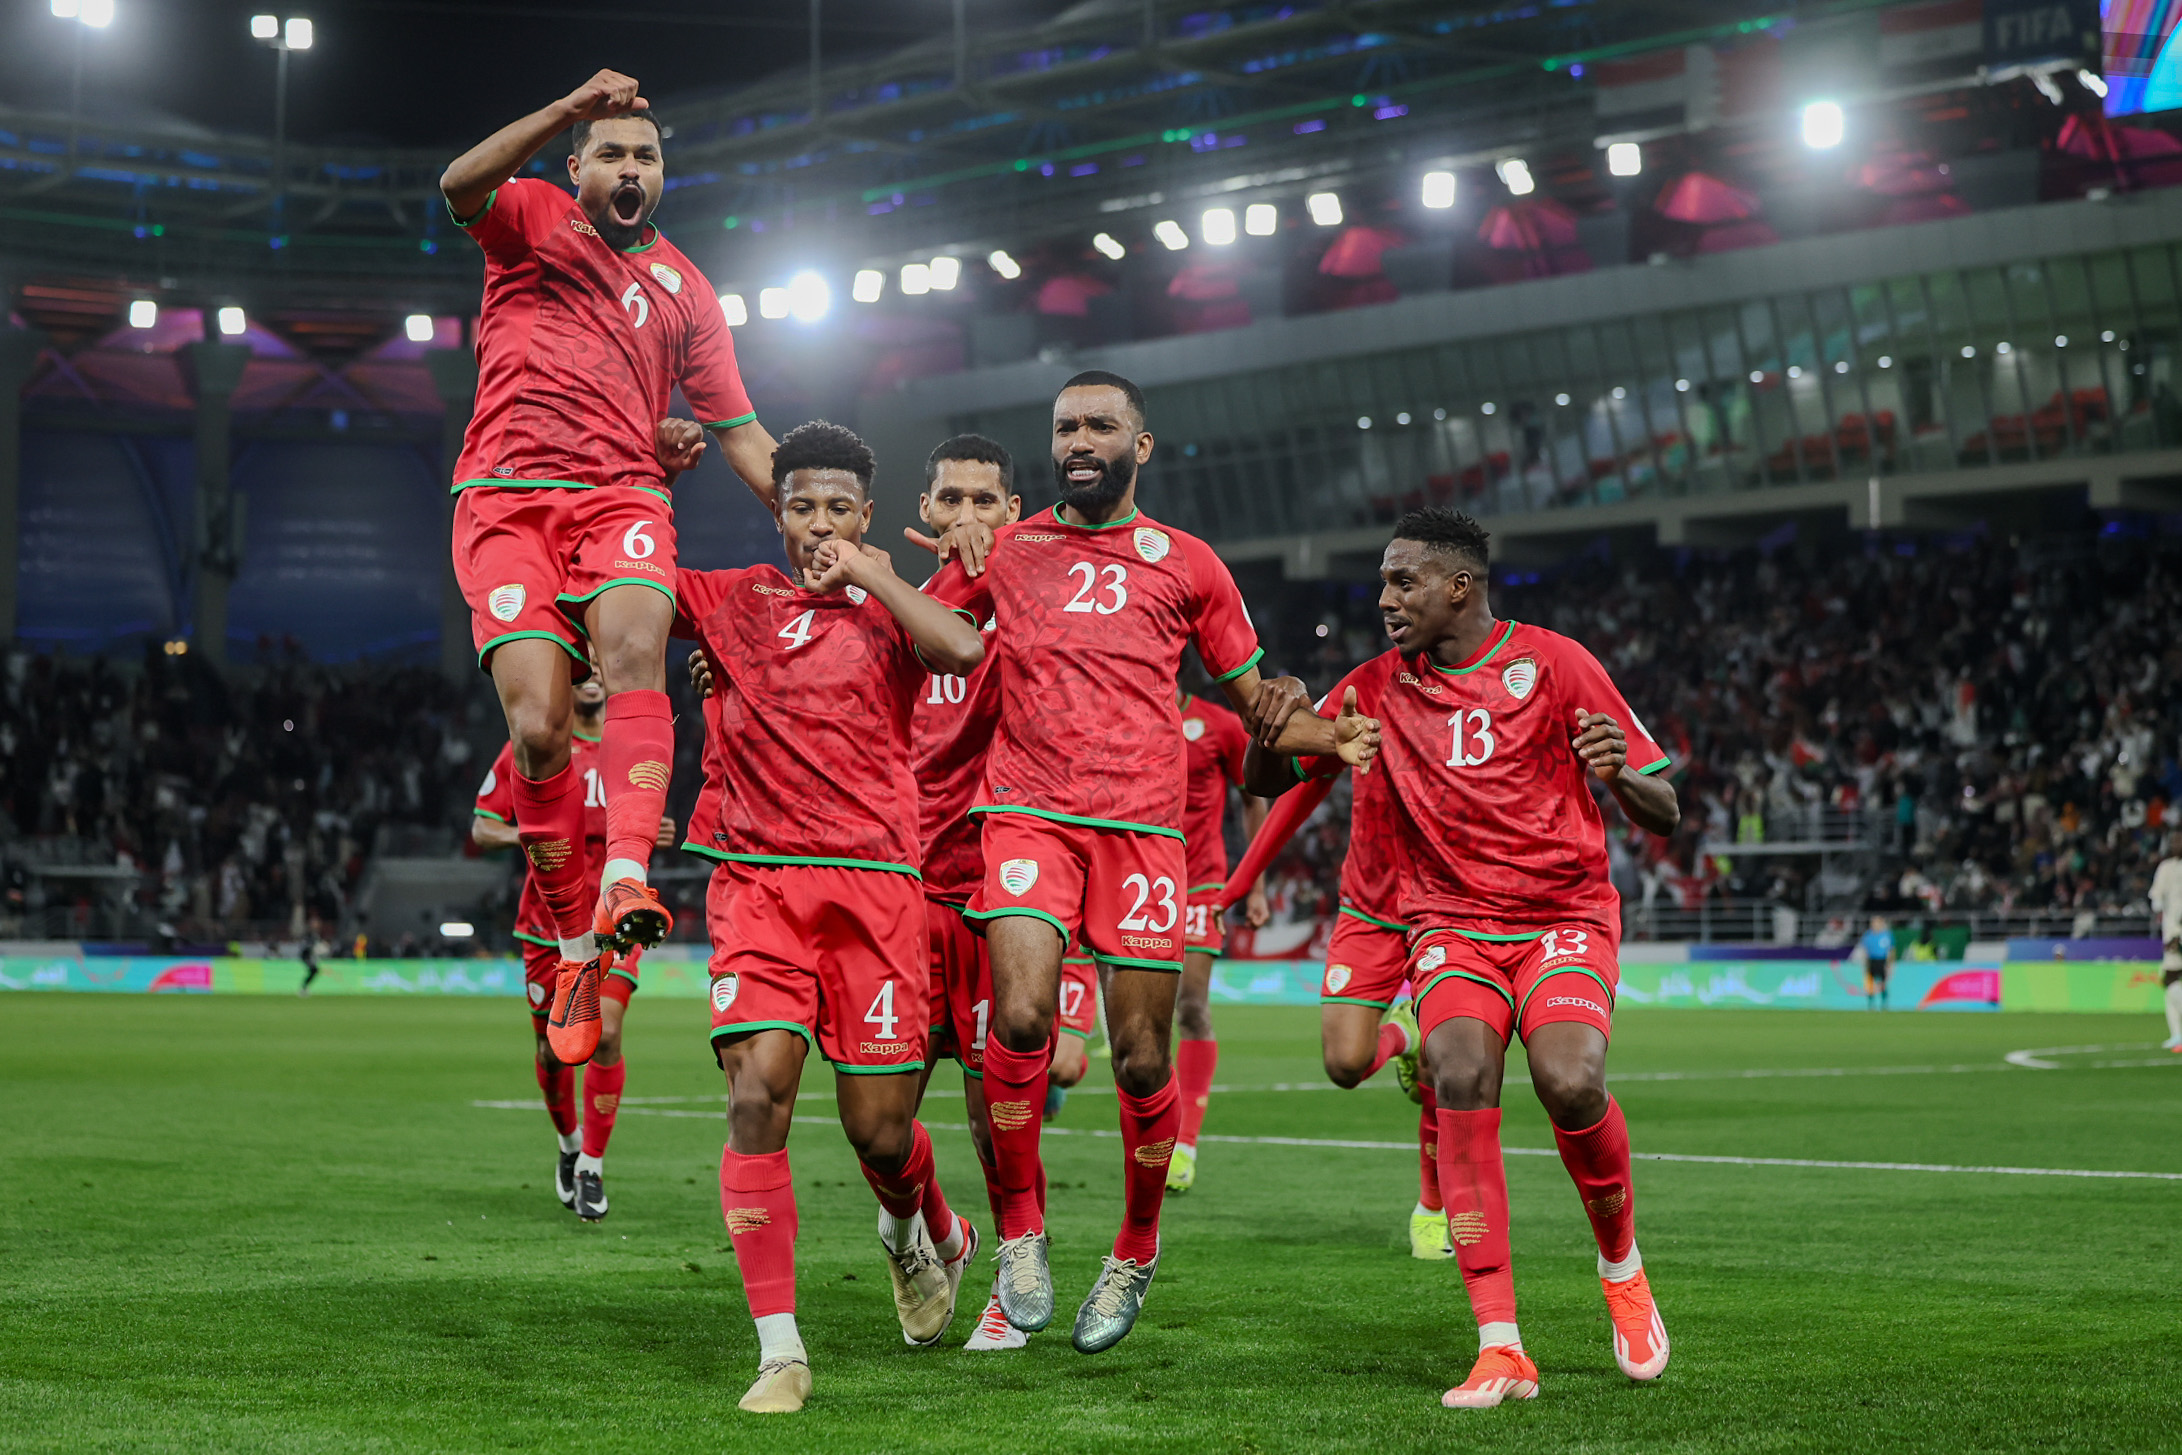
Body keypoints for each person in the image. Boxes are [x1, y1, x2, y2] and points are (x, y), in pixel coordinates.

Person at [917, 370, 1380, 1354]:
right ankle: (1021, 1234)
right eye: (1064, 428)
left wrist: (1326, 735)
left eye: (1100, 425)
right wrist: (908, 569)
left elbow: (1258, 704)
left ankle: (1135, 1248)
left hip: (1142, 832)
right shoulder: (1009, 547)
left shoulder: (1191, 565)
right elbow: (913, 641)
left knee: (1138, 1056)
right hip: (1027, 812)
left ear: (1142, 444)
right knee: (1023, 1018)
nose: (1079, 441)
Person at [1246, 507, 1677, 1409]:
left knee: (1571, 1082)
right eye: (1382, 581)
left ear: (1459, 586)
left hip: (1561, 913)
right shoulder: (1376, 684)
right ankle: (1500, 1345)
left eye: (1403, 582)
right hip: (1448, 921)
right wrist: (1272, 721)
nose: (1385, 598)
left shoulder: (1557, 663)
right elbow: (1273, 773)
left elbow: (1663, 807)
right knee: (1461, 1075)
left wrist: (1619, 776)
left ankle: (1622, 1266)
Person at [438, 69, 779, 1066]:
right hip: (506, 497)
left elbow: (741, 430)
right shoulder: (531, 219)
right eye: (614, 153)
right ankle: (576, 948)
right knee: (539, 730)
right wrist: (563, 110)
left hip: (623, 494)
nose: (633, 168)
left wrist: (814, 519)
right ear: (578, 166)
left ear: (663, 175)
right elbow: (458, 184)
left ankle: (626, 872)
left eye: (648, 156)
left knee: (635, 655)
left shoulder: (688, 290)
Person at [676, 422, 985, 1414]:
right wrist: (646, 477)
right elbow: (617, 588)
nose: (818, 524)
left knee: (880, 1134)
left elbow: (963, 646)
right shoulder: (735, 601)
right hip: (759, 884)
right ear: (777, 512)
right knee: (757, 1094)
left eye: (838, 509)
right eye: (801, 506)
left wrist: (873, 576)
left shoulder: (891, 609)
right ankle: (781, 1352)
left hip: (875, 890)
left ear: (864, 515)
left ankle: (927, 1232)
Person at [1219, 673, 1441, 1259]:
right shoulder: (1368, 685)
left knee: (1449, 1067)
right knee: (1345, 1063)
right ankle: (1403, 1035)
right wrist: (1241, 882)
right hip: (1370, 906)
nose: (1395, 620)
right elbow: (1300, 788)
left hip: (1447, 908)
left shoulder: (1484, 690)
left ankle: (1434, 1209)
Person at [474, 663, 674, 1220]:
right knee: (552, 1051)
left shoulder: (628, 747)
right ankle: (567, 1143)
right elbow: (482, 827)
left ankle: (592, 1163)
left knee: (605, 1034)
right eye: (579, 664)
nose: (590, 675)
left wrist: (654, 832)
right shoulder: (537, 741)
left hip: (613, 918)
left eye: (597, 663)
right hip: (548, 925)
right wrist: (534, 832)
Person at [1165, 682, 1269, 1194]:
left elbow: (1253, 798)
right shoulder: (1126, 717)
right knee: (1139, 1022)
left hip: (1201, 882)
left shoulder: (1219, 725)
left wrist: (1254, 885)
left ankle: (1184, 1145)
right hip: (1139, 879)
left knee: (1190, 1005)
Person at [2150, 834, 2182, 1050]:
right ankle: (2177, 1035)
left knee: (2170, 979)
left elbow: (2156, 902)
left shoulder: (2167, 868)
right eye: (2173, 842)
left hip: (2176, 932)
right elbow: (2157, 900)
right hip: (2172, 931)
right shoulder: (2166, 867)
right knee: (2170, 981)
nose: (2175, 845)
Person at [1860, 915, 1895, 1010]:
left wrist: (1889, 963)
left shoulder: (1886, 935)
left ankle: (1884, 1002)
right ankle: (1871, 1003)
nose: (1875, 924)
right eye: (1873, 923)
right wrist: (1865, 962)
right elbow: (1865, 950)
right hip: (1871, 960)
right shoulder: (1868, 935)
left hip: (1882, 960)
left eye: (1877, 922)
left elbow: (1891, 950)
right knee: (1870, 982)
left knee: (1882, 982)